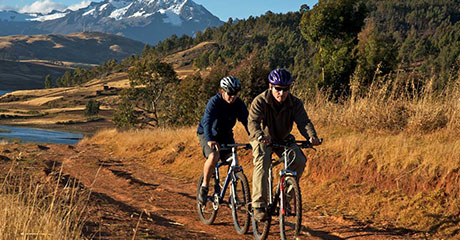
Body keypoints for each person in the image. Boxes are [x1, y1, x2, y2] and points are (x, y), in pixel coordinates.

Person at [248, 68, 320, 221]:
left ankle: (284, 200)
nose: (282, 93)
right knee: (262, 161)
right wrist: (260, 135)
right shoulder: (260, 101)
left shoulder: (295, 103)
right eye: (278, 89)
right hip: (263, 138)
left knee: (299, 160)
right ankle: (258, 205)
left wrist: (312, 137)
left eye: (285, 89)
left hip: (283, 138)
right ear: (270, 86)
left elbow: (304, 122)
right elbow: (253, 123)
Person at [197, 76, 249, 204]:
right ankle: (204, 187)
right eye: (230, 93)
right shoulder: (214, 102)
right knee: (214, 155)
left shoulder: (238, 104)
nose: (232, 97)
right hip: (208, 133)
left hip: (226, 134)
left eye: (235, 94)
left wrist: (254, 137)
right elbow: (207, 122)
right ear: (223, 91)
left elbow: (247, 122)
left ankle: (233, 195)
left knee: (233, 160)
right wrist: (209, 140)